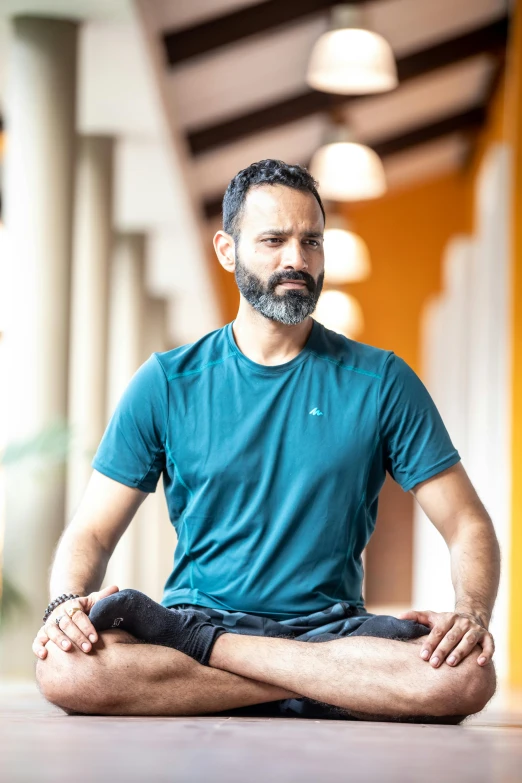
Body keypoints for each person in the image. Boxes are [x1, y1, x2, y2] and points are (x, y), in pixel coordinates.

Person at [35, 159, 499, 722]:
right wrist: (63, 605)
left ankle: (229, 660)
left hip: (322, 629)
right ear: (227, 250)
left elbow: (467, 522)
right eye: (274, 240)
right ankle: (328, 685)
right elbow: (91, 530)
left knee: (466, 678)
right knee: (65, 668)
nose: (296, 260)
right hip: (207, 619)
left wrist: (471, 612)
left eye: (311, 242)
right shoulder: (165, 382)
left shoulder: (382, 381)